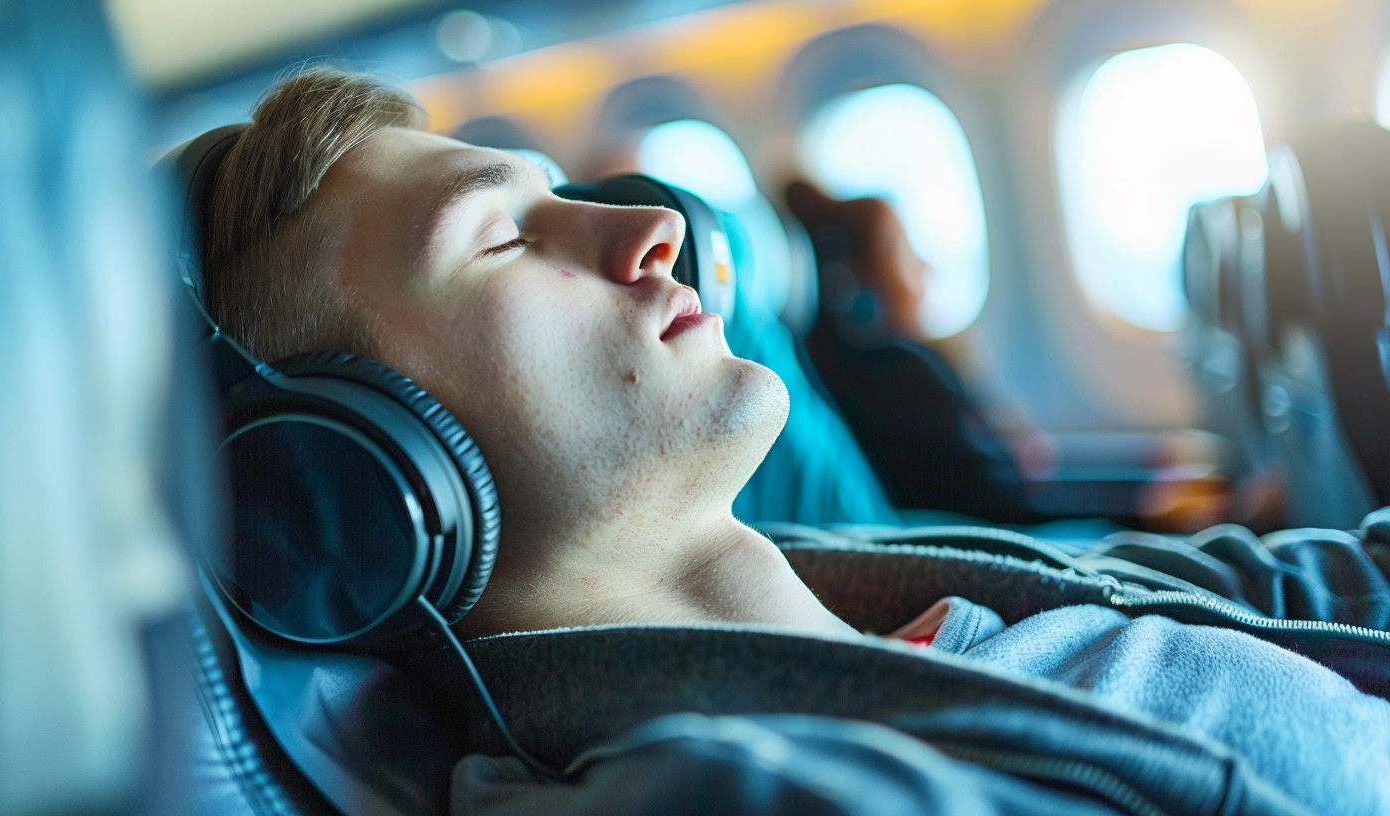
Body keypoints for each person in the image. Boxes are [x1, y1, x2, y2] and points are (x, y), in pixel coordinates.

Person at [202, 68, 1390, 813]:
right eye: (499, 239)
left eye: (561, 190)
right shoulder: (725, 791)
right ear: (351, 473)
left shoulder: (939, 585)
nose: (659, 225)